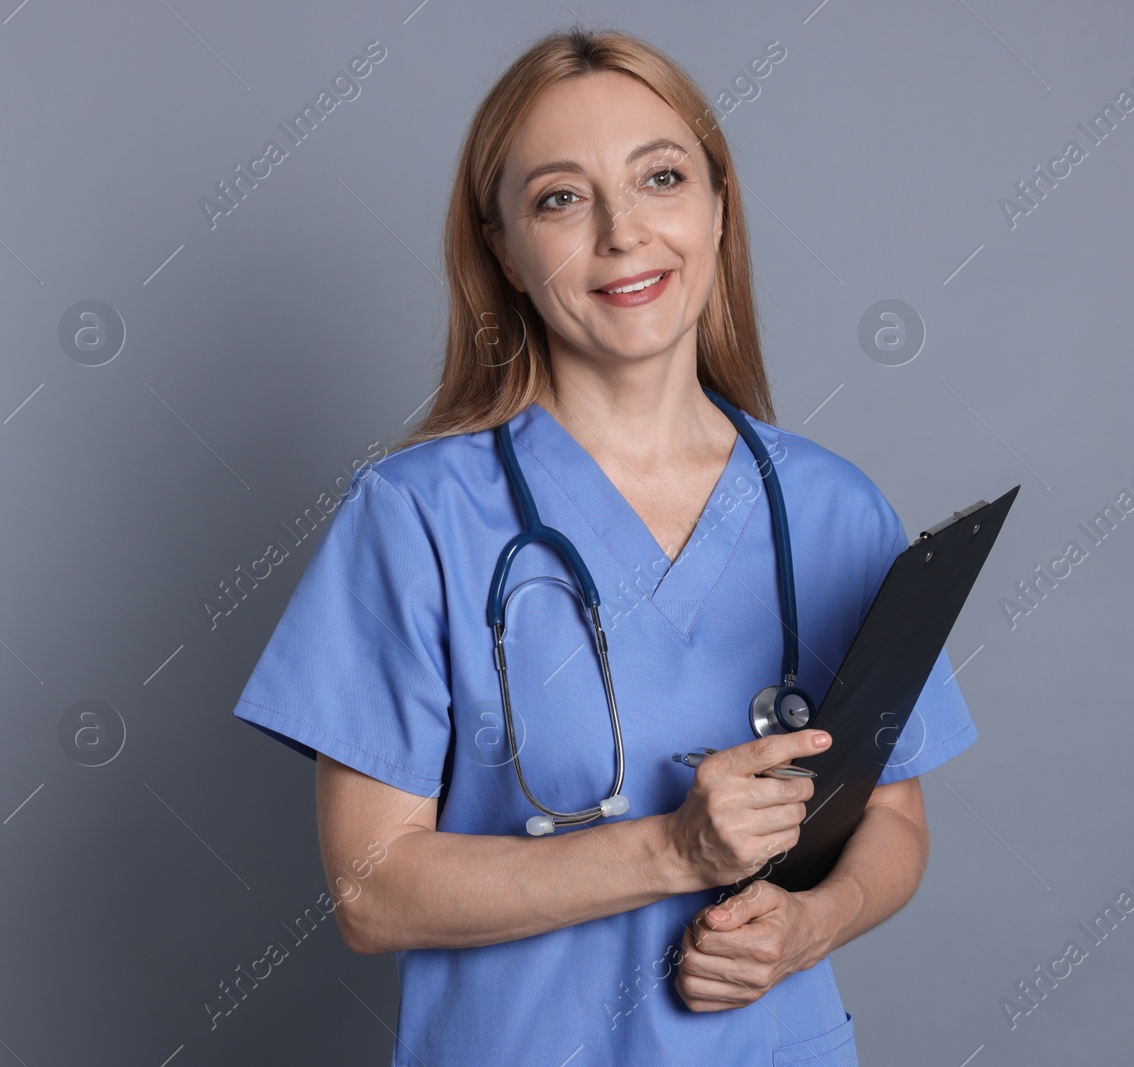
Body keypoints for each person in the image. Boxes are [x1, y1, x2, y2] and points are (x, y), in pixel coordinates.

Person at [232, 26, 977, 1066]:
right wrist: (674, 849)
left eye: (660, 177)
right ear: (503, 247)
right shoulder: (416, 516)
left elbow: (893, 819)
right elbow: (371, 891)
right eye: (560, 198)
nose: (624, 233)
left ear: (717, 205)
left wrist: (814, 921)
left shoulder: (832, 508)